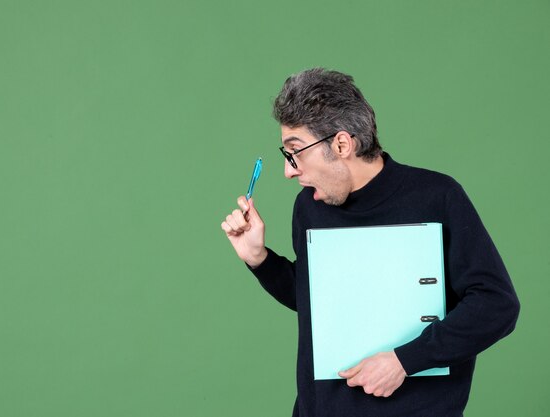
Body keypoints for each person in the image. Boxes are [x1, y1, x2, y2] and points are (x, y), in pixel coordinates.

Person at [220, 68, 520, 417]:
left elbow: (496, 305)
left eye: (296, 152)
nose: (289, 171)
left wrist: (404, 361)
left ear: (342, 145)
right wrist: (259, 259)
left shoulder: (438, 197)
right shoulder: (309, 207)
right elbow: (321, 301)